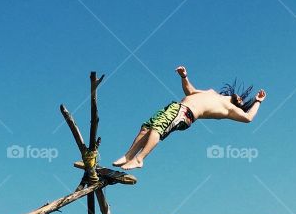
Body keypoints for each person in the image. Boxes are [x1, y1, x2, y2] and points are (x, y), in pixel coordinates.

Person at [112, 67, 266, 168]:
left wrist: (258, 101)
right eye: (240, 98)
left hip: (185, 113)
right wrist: (184, 77)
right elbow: (190, 91)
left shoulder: (230, 109)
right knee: (146, 127)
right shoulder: (211, 92)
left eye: (242, 101)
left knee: (158, 128)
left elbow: (248, 117)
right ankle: (129, 155)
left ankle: (139, 159)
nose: (240, 99)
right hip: (175, 107)